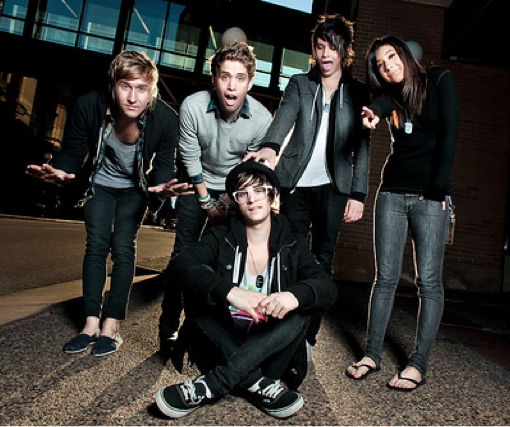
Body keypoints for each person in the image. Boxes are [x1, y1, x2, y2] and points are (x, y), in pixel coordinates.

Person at [25, 50, 186, 356]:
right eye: (125, 86)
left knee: (123, 248)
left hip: (135, 188)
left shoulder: (165, 118)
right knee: (96, 246)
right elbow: (73, 151)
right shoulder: (89, 105)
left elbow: (165, 164)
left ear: (151, 91)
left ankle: (111, 326)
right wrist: (60, 171)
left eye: (141, 89)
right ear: (113, 85)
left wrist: (163, 186)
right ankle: (89, 325)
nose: (132, 97)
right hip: (98, 184)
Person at [155, 160, 337, 419]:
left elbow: (327, 288)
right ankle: (255, 382)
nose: (252, 199)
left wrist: (294, 296)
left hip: (269, 348)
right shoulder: (221, 237)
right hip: (222, 345)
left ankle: (213, 384)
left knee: (302, 308)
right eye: (243, 193)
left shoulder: (293, 242)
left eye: (259, 190)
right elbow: (179, 266)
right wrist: (230, 291)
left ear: (273, 195)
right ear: (236, 201)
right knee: (198, 293)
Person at [243, 13, 370, 348]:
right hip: (296, 183)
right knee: (288, 254)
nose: (325, 54)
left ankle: (306, 335)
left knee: (322, 260)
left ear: (345, 50)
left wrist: (358, 193)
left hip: (334, 186)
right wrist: (270, 147)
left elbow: (362, 146)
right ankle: (281, 329)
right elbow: (284, 116)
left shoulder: (358, 92)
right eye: (320, 46)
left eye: (332, 47)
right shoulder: (301, 83)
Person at [344, 36, 459, 391]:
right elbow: (380, 102)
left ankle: (418, 364)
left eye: (391, 57)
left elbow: (450, 134)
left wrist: (438, 189)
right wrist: (373, 112)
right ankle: (371, 355)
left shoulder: (439, 80)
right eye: (379, 64)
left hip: (429, 197)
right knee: (385, 278)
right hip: (391, 193)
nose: (387, 66)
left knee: (429, 282)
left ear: (404, 55)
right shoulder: (389, 96)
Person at [158, 41, 273, 351]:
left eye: (240, 78)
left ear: (250, 82)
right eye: (225, 76)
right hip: (197, 182)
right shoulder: (193, 106)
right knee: (183, 255)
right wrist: (206, 201)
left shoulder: (262, 119)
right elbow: (190, 157)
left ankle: (203, 331)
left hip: (234, 190)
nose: (231, 86)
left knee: (224, 260)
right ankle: (168, 325)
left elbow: (247, 169)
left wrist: (225, 202)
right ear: (214, 79)